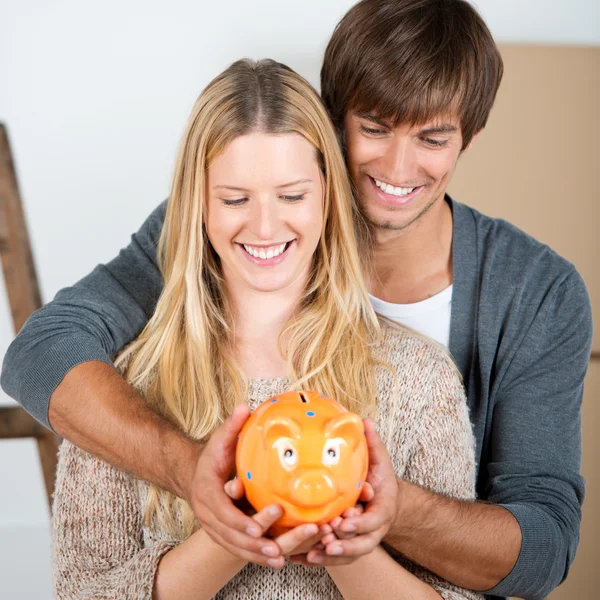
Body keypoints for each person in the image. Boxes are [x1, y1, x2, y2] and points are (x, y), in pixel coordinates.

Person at [2, 1, 592, 599]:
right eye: (375, 128)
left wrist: (363, 505)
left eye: (433, 137)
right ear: (333, 123)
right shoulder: (223, 234)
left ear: (469, 139)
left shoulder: (530, 298)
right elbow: (42, 352)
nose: (397, 166)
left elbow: (542, 547)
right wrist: (204, 479)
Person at [51, 58, 481, 600]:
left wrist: (346, 546)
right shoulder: (124, 391)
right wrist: (235, 533)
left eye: (293, 195)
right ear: (197, 206)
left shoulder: (418, 377)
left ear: (328, 196)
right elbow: (81, 592)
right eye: (234, 199)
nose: (264, 226)